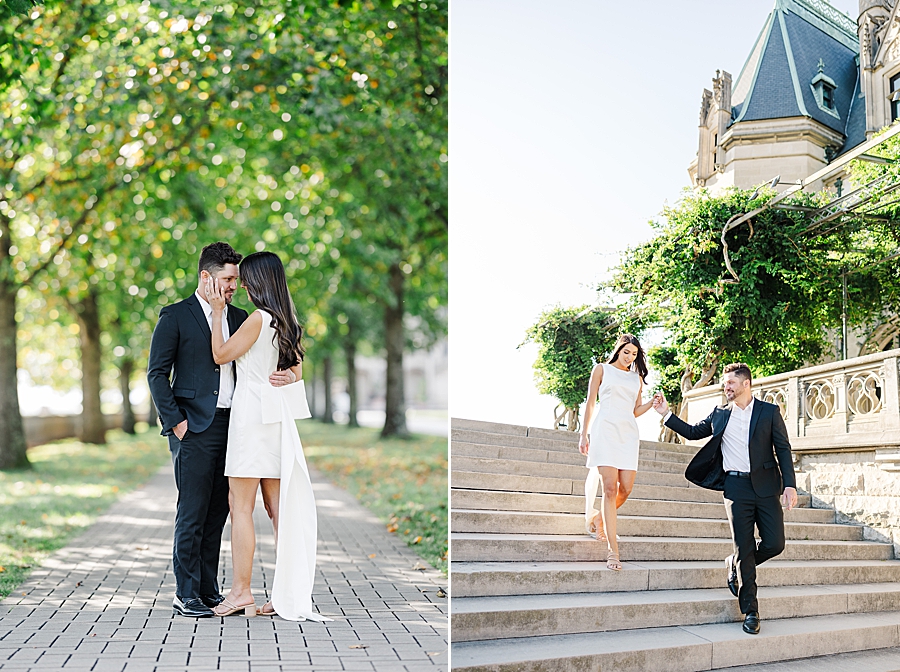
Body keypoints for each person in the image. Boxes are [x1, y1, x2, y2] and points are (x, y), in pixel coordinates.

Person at [207, 251, 330, 622]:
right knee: (278, 510)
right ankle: (285, 593)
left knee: (239, 506)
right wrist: (291, 377)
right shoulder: (286, 320)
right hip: (276, 418)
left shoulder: (258, 319)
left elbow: (220, 355)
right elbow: (295, 367)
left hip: (251, 417)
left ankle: (240, 593)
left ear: (258, 281)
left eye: (245, 279)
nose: (241, 285)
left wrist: (216, 313)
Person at [652, 362, 797, 635]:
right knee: (744, 547)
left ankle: (735, 563)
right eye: (724, 383)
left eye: (730, 383)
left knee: (775, 544)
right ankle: (751, 610)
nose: (726, 387)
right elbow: (694, 432)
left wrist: (790, 484)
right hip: (735, 488)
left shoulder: (769, 412)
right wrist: (666, 414)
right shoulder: (720, 413)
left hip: (766, 487)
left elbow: (783, 449)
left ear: (746, 384)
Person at [147, 242, 248, 618]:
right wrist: (176, 422)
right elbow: (157, 373)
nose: (233, 285)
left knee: (217, 513)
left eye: (235, 279)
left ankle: (208, 590)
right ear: (206, 277)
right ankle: (185, 592)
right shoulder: (175, 315)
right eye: (227, 278)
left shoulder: (238, 318)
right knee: (192, 512)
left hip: (234, 426)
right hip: (193, 428)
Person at [578, 334, 655, 571]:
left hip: (628, 434)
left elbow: (634, 410)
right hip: (605, 430)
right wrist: (584, 433)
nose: (630, 358)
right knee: (610, 488)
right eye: (626, 352)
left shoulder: (637, 378)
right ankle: (613, 551)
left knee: (626, 487)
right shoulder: (601, 370)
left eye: (634, 354)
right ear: (618, 350)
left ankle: (601, 517)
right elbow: (591, 402)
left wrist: (652, 402)